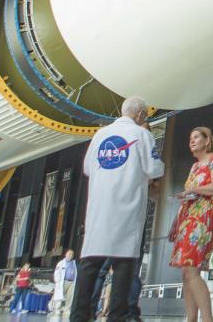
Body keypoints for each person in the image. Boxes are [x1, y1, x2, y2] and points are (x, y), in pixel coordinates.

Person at [70, 96, 164, 322]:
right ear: (141, 115)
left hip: (99, 208)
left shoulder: (100, 135)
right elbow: (155, 169)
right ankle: (118, 316)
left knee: (90, 264)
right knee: (124, 265)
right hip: (127, 207)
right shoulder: (142, 135)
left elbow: (87, 168)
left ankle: (79, 316)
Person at [171, 126, 213, 322]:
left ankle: (207, 319)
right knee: (186, 272)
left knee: (192, 269)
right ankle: (191, 318)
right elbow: (189, 195)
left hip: (203, 219)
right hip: (187, 219)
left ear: (207, 140)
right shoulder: (194, 167)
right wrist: (175, 222)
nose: (192, 141)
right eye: (190, 138)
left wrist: (194, 189)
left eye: (196, 137)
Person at [53, 250, 76, 315]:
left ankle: (67, 309)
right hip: (63, 281)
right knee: (60, 295)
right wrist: (57, 281)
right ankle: (57, 309)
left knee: (70, 296)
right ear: (66, 254)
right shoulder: (61, 263)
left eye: (72, 254)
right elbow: (57, 272)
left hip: (72, 282)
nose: (70, 255)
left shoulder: (74, 263)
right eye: (69, 254)